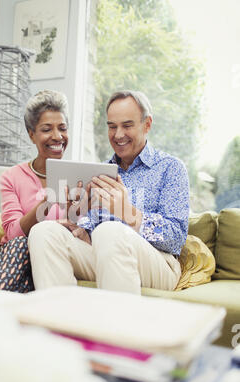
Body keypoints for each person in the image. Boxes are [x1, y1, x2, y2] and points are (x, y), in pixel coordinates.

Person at [28, 90, 190, 294]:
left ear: (147, 124)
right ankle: (61, 321)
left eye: (127, 125)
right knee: (44, 232)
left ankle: (115, 325)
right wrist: (81, 229)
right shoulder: (101, 171)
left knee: (110, 230)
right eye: (112, 127)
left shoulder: (170, 168)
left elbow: (176, 238)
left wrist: (129, 214)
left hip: (159, 263)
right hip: (105, 254)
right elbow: (93, 227)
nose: (118, 134)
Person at [0, 89, 72, 293]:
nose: (57, 136)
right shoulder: (12, 177)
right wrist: (46, 203)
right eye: (47, 129)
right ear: (32, 135)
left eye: (62, 128)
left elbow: (81, 233)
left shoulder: (77, 177)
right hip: (18, 255)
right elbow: (13, 234)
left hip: (55, 255)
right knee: (20, 244)